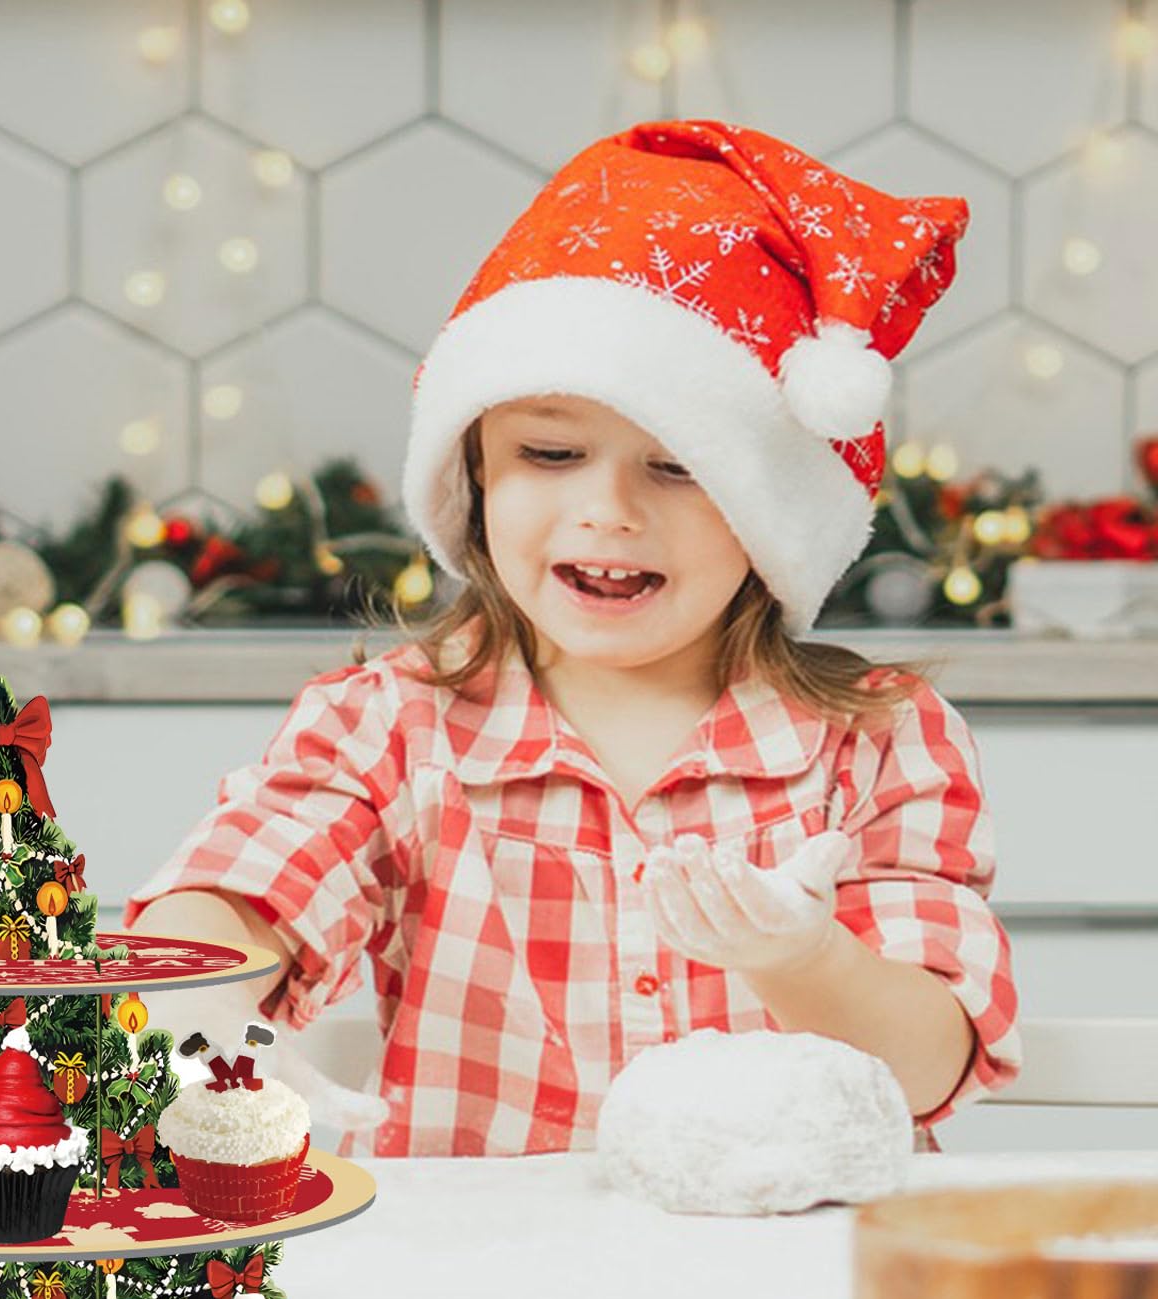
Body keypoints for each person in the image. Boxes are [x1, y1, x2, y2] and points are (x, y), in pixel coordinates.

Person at [126, 119, 1021, 1158]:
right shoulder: (386, 728)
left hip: (787, 1282)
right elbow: (236, 895)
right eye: (550, 451)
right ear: (475, 477)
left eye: (680, 467)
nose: (607, 510)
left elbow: (930, 1068)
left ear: (769, 507)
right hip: (480, 1292)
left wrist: (804, 957)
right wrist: (203, 1015)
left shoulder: (876, 741)